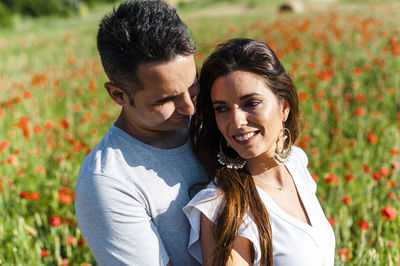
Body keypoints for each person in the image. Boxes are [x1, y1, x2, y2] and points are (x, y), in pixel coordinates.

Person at [74, 1, 207, 265]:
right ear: (118, 95)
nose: (190, 108)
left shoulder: (221, 118)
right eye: (166, 100)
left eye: (193, 85)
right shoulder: (108, 182)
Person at [183, 38, 335, 266]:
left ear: (284, 107)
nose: (236, 121)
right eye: (222, 108)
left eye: (251, 103)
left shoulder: (296, 162)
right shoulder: (224, 207)